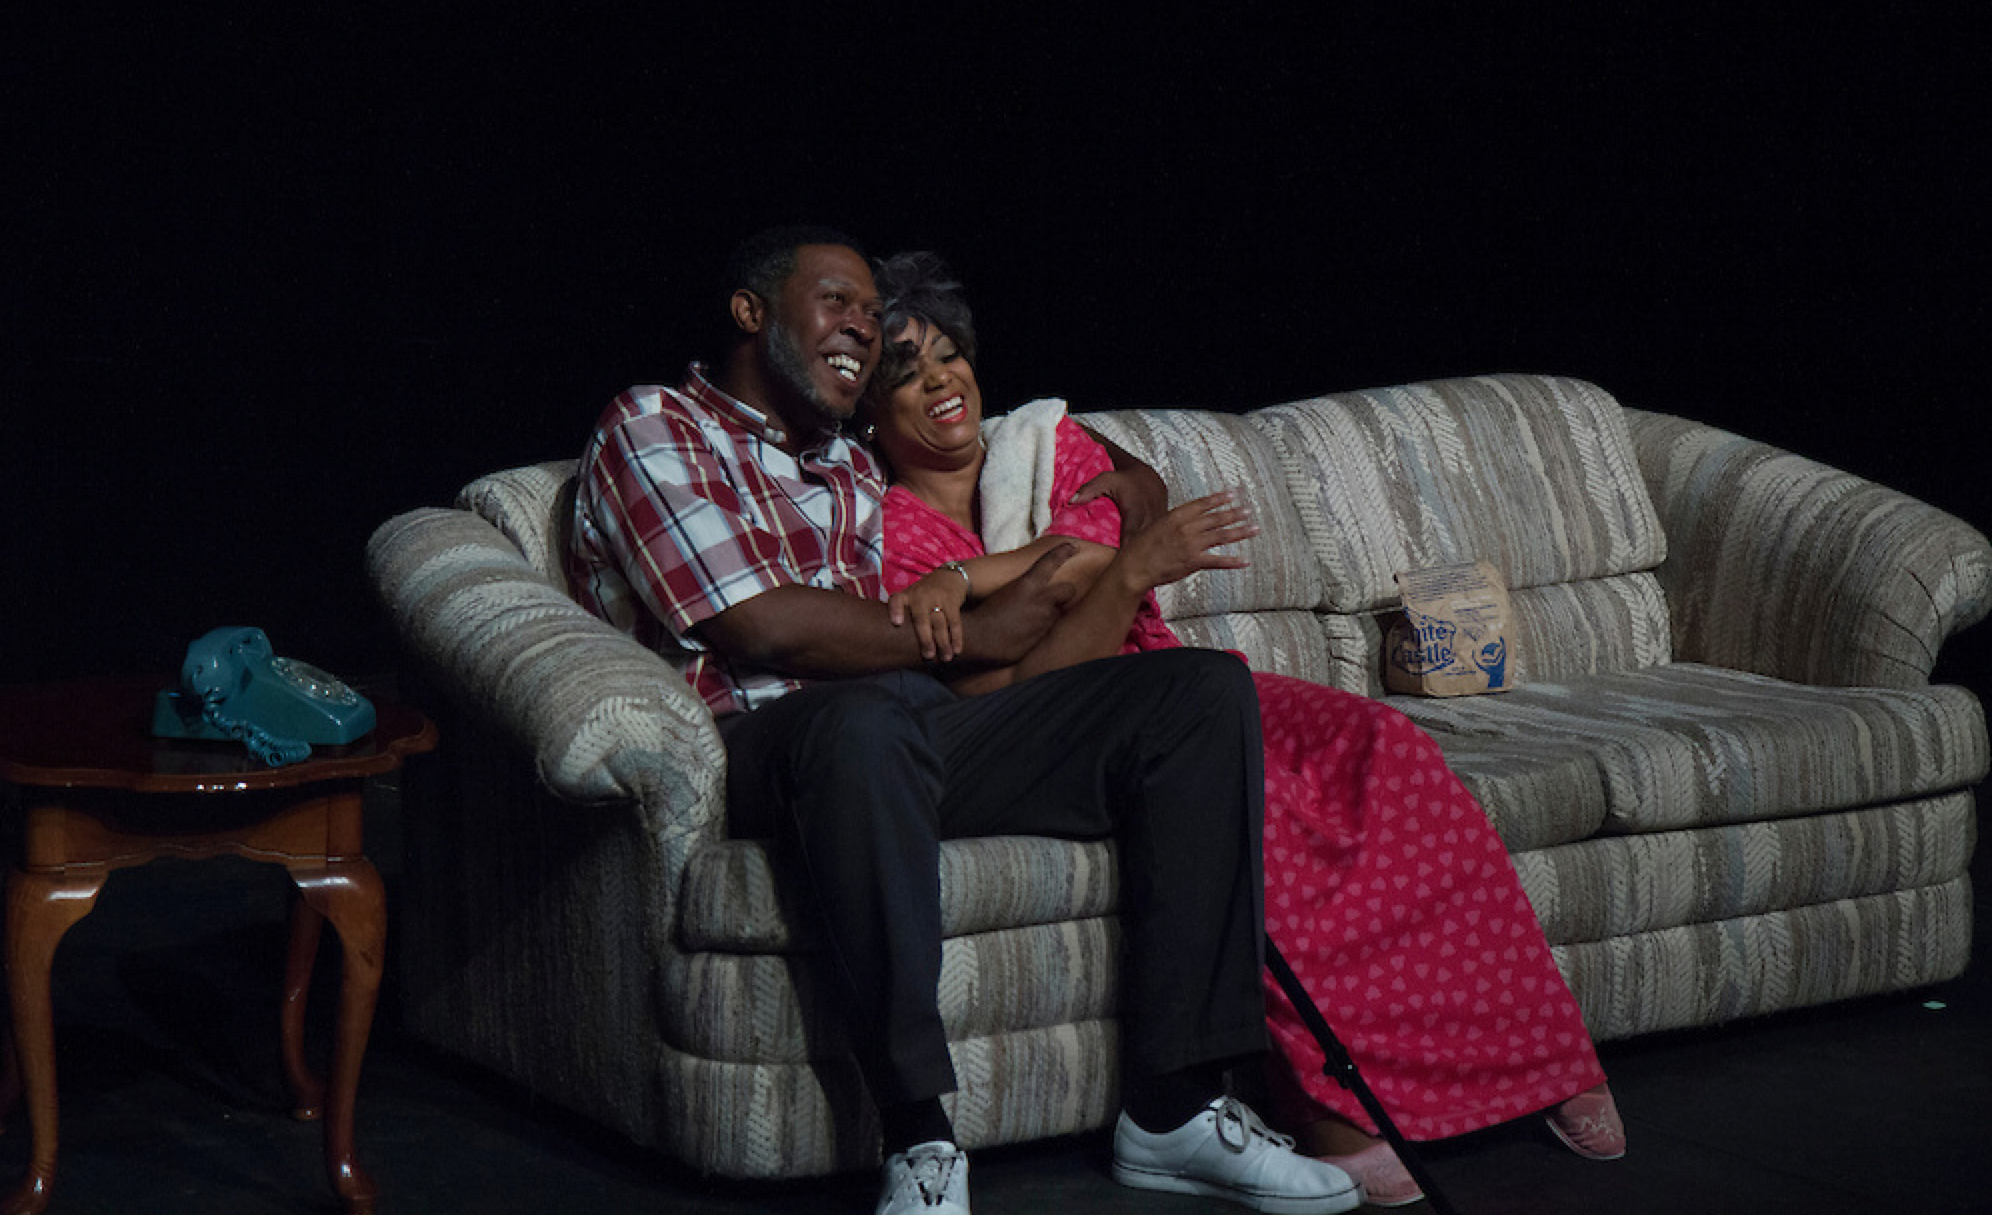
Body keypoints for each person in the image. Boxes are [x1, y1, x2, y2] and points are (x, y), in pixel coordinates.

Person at [567, 226, 1362, 1215]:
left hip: (913, 727)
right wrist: (985, 633)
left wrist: (1119, 492)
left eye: (871, 311)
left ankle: (1177, 1108)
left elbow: (1042, 454)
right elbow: (758, 623)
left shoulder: (850, 463)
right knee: (861, 723)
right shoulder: (655, 424)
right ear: (750, 310)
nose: (863, 326)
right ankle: (920, 1140)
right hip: (766, 741)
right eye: (837, 301)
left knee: (1193, 695)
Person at [863, 250, 1628, 1209]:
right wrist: (1114, 568)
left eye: (948, 355)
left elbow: (1093, 552)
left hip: (1180, 679)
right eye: (906, 373)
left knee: (1384, 743)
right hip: (1091, 730)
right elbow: (1025, 687)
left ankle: (1538, 1058)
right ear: (870, 411)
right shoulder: (891, 533)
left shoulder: (1048, 447)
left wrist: (1034, 576)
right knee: (1262, 806)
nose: (941, 382)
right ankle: (1345, 1109)